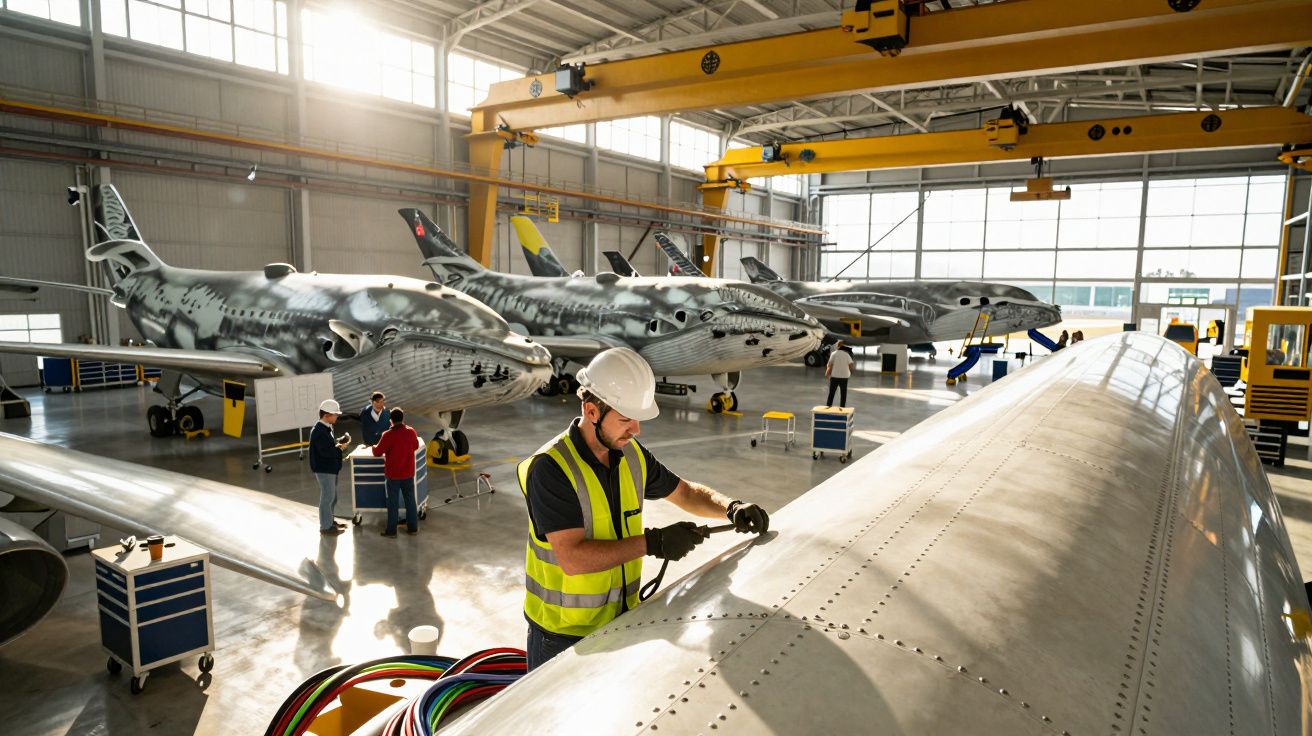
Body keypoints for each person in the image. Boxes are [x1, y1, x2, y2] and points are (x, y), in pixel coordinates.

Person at [519, 347, 770, 672]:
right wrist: (653, 543)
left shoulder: (631, 454)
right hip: (562, 638)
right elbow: (573, 559)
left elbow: (685, 492)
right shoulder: (551, 469)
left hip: (621, 619)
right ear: (591, 410)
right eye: (625, 419)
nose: (636, 429)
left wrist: (731, 508)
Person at [372, 407, 421, 538]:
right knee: (410, 500)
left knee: (392, 502)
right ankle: (413, 528)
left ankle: (391, 531)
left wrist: (373, 447)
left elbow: (377, 453)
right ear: (403, 419)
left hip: (393, 475)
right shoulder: (411, 432)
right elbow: (415, 446)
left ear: (390, 420)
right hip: (408, 473)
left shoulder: (387, 435)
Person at [309, 399, 350, 536]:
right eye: (335, 414)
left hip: (329, 468)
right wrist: (340, 448)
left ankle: (329, 521)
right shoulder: (319, 431)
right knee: (328, 497)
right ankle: (325, 527)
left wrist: (338, 443)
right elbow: (325, 452)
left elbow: (327, 446)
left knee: (332, 497)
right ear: (326, 415)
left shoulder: (325, 427)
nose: (337, 417)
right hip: (324, 469)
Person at [825, 340, 855, 408]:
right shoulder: (846, 354)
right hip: (844, 377)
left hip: (835, 376)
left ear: (837, 346)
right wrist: (849, 371)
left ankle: (828, 406)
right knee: (843, 393)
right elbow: (851, 365)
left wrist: (827, 373)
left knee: (831, 393)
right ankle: (842, 407)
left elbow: (830, 365)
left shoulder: (834, 354)